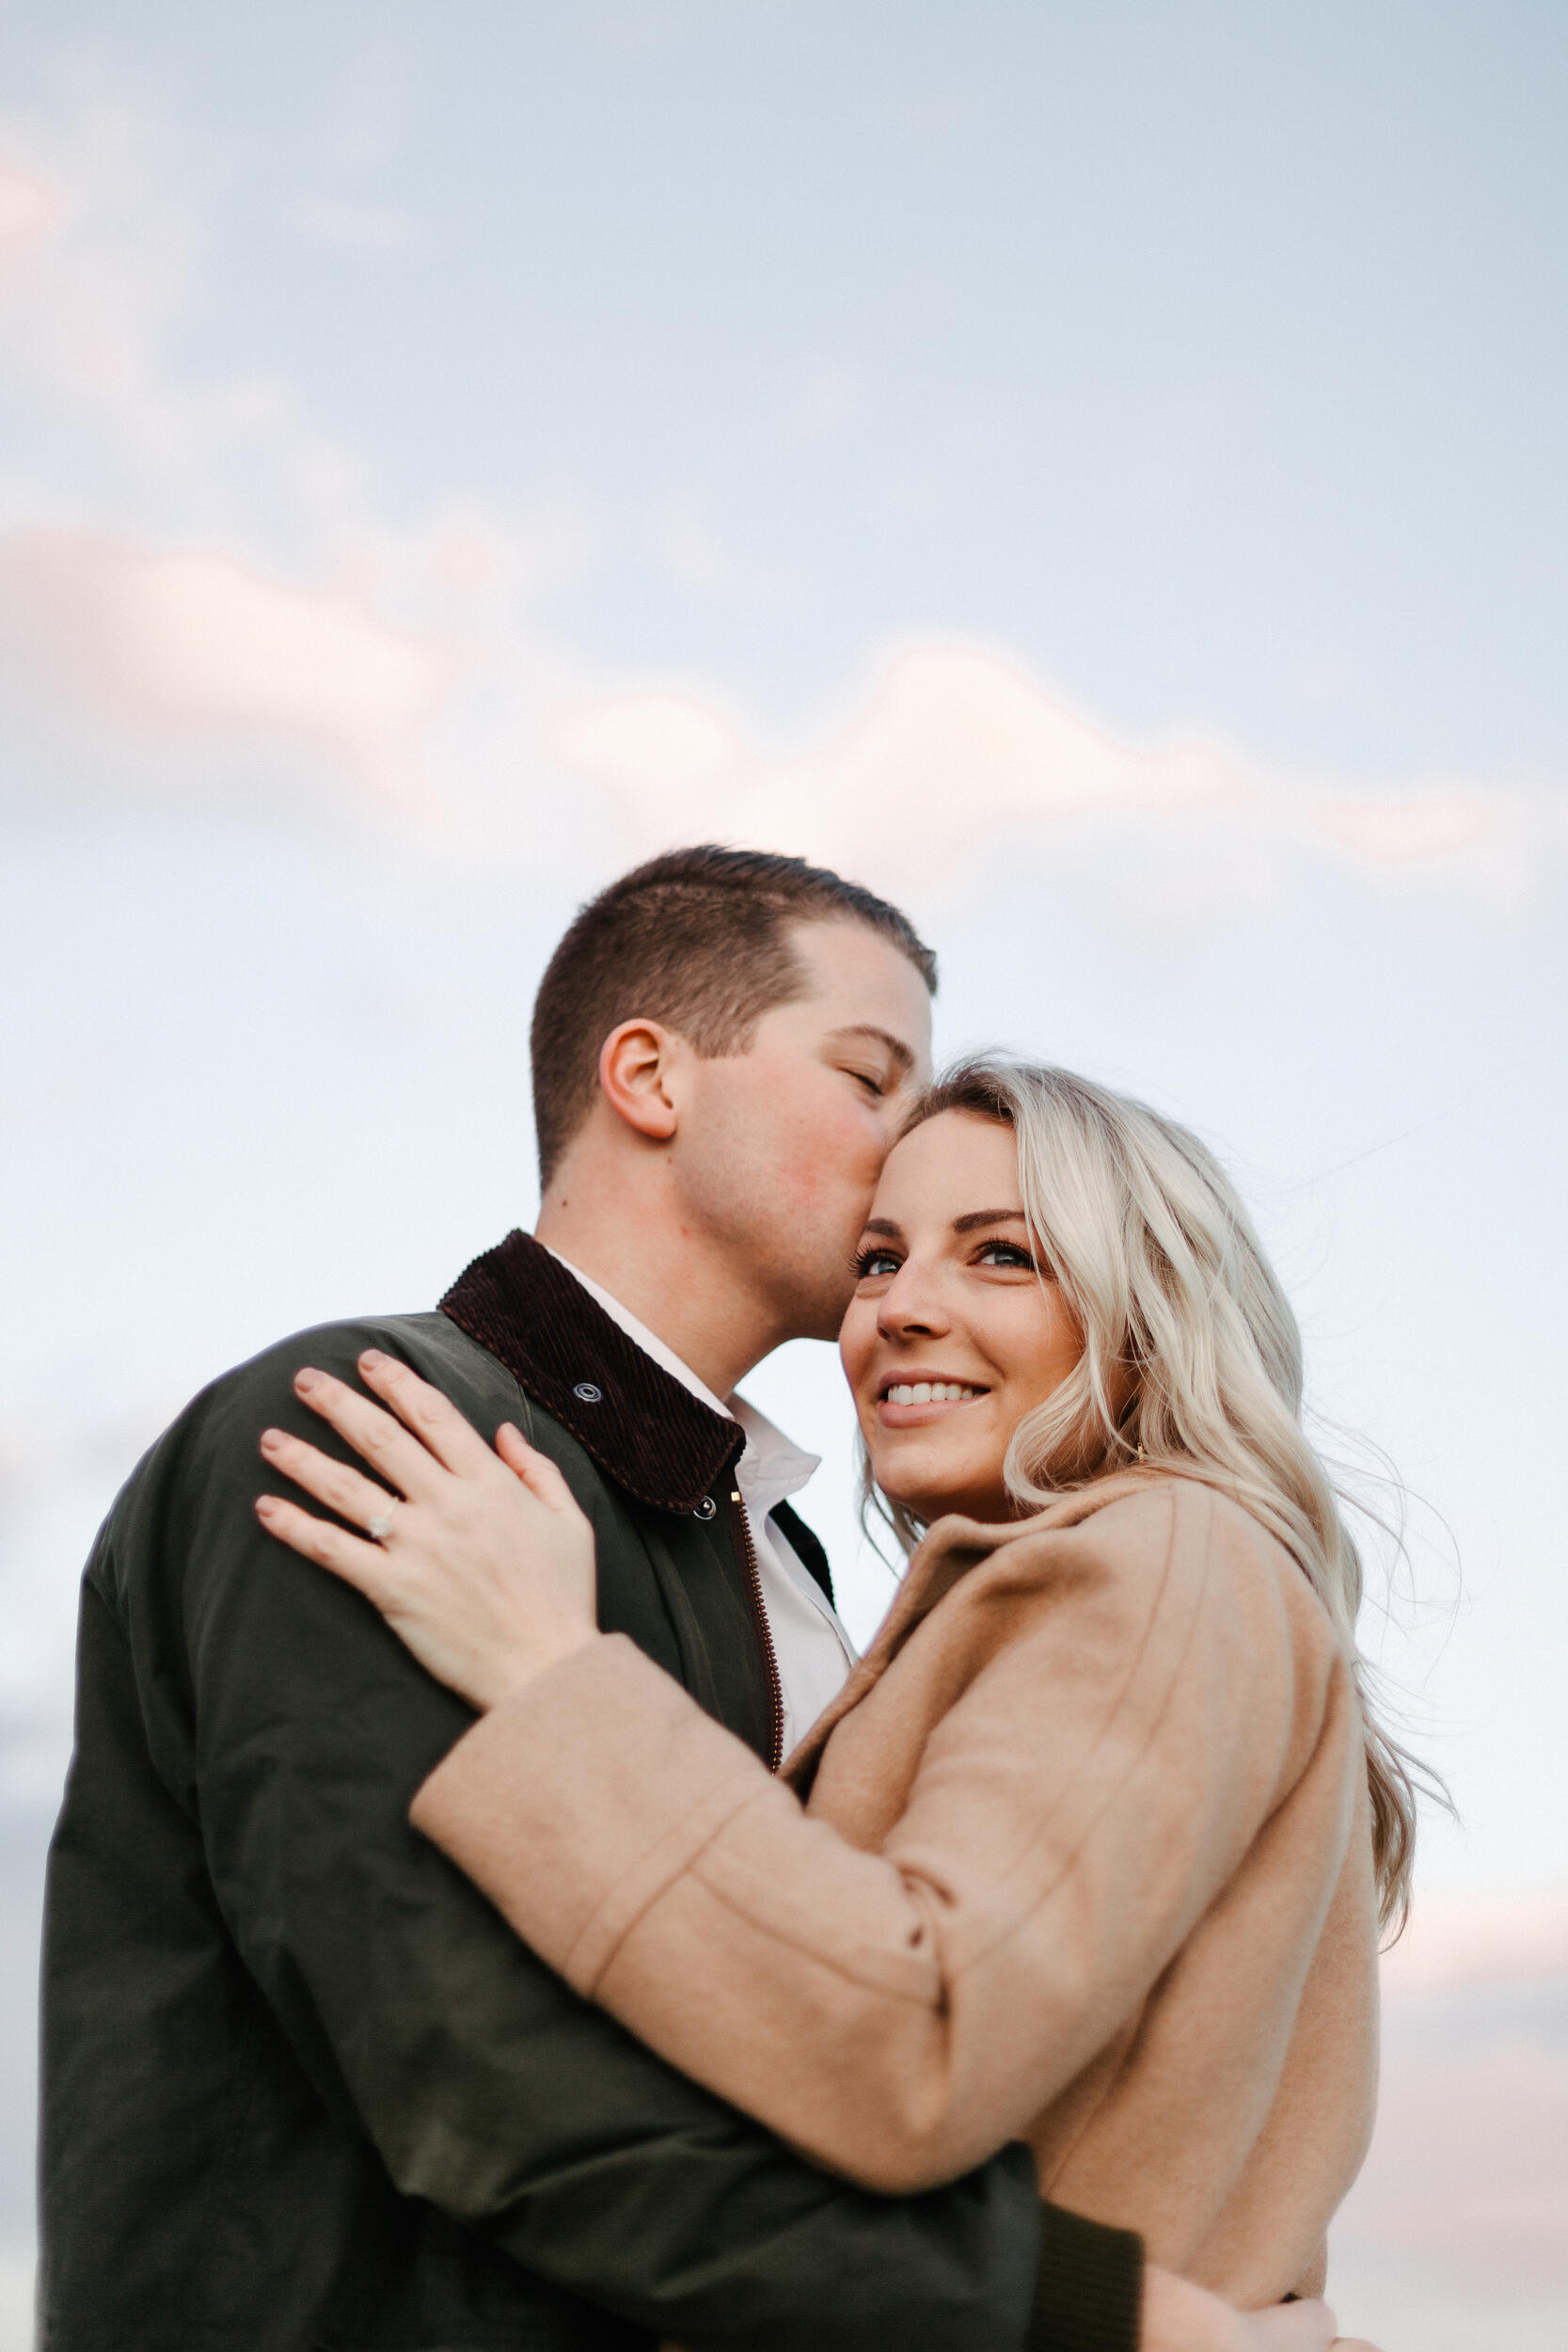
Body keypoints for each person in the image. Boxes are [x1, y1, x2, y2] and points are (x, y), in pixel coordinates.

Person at [40, 845, 1348, 2352]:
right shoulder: (384, 1432)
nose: (908, 1138)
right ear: (652, 1079)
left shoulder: (789, 1561)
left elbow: (823, 2029)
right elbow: (493, 2081)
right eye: (872, 1079)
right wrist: (1106, 2319)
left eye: (1002, 1245)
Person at [261, 1056, 1407, 2336]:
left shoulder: (1158, 1560)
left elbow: (916, 2042)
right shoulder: (1112, 1586)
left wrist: (551, 1675)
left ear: (1147, 1320)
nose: (901, 1309)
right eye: (877, 1260)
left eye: (1002, 1256)